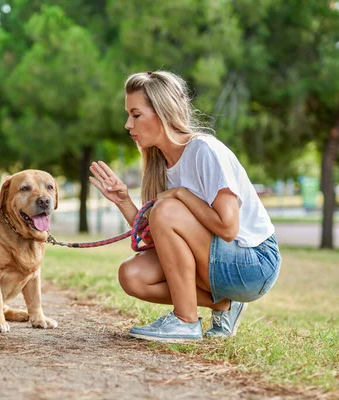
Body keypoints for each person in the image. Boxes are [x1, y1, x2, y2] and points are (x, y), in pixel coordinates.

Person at [89, 70, 281, 342]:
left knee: (166, 210)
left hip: (255, 263)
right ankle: (224, 304)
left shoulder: (204, 150)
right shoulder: (160, 165)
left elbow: (228, 228)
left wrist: (180, 194)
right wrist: (123, 200)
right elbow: (160, 237)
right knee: (131, 275)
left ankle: (185, 321)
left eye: (136, 114)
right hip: (216, 262)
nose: (127, 125)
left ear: (163, 113)